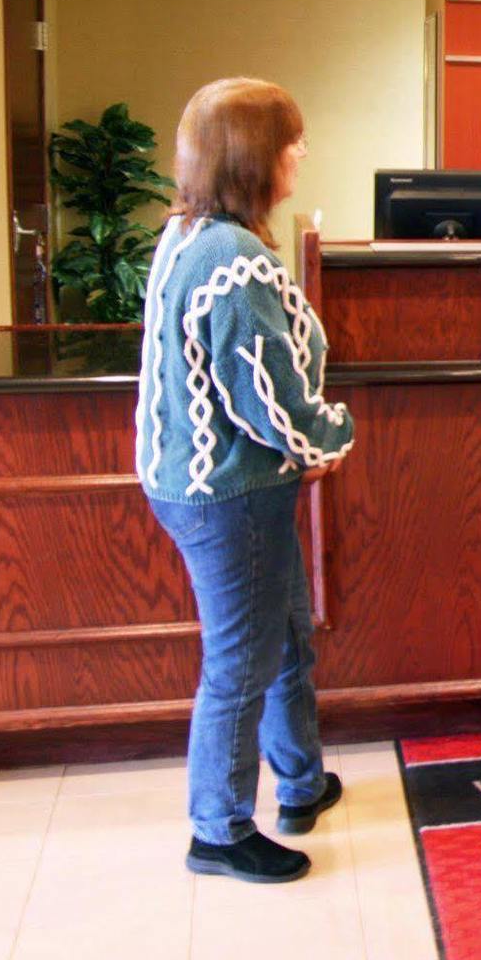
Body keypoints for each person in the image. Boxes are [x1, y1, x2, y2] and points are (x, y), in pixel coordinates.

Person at [138, 77, 355, 884]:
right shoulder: (234, 259)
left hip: (205, 483)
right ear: (254, 155)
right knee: (241, 662)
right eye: (291, 139)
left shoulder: (186, 234)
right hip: (231, 492)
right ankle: (219, 830)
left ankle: (299, 783)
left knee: (286, 639)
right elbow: (267, 399)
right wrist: (330, 435)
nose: (301, 151)